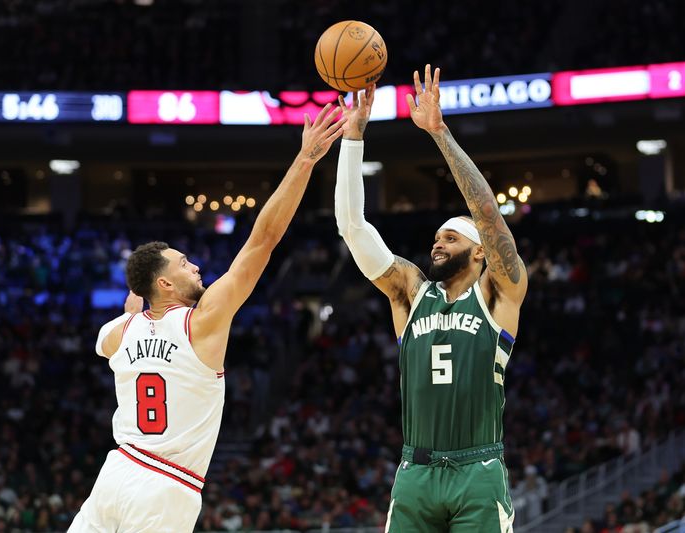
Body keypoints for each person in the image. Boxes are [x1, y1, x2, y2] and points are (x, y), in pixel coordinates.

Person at [69, 103, 346, 533]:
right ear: (164, 285)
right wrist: (305, 158)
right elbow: (263, 240)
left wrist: (132, 309)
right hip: (165, 486)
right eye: (184, 263)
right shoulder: (200, 323)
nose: (196, 267)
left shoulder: (121, 333)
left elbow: (105, 340)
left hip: (114, 475)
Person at [335, 66, 528, 532]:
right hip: (415, 472)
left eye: (450, 237)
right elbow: (352, 226)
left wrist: (440, 133)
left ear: (480, 251)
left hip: (477, 470)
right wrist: (354, 138)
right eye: (436, 237)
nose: (437, 243)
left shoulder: (500, 291)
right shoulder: (409, 291)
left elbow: (487, 213)